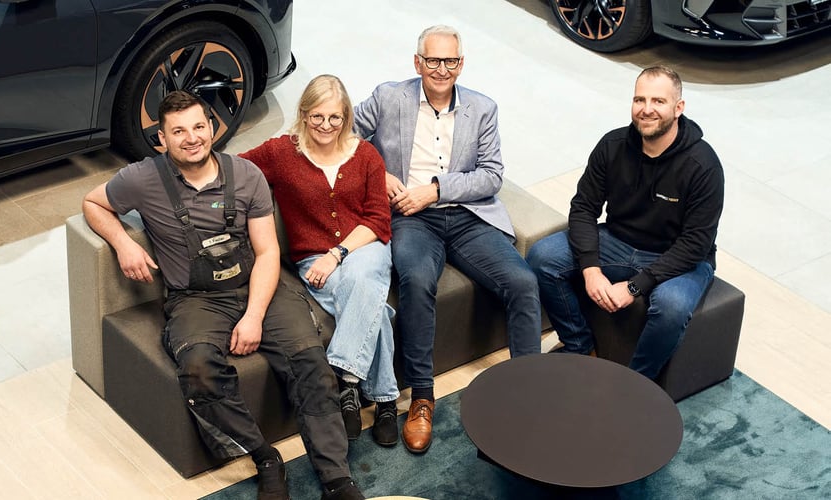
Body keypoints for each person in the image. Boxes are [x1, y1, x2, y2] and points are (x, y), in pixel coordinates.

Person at [82, 90, 365, 500]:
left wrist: (253, 316)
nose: (191, 137)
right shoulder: (142, 178)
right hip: (195, 299)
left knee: (313, 363)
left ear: (212, 129)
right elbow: (93, 203)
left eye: (199, 126)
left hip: (257, 286)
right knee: (197, 368)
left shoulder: (246, 175)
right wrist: (124, 244)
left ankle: (337, 479)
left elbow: (268, 252)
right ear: (162, 138)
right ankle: (265, 457)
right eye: (178, 131)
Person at [354, 25, 542, 454]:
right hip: (410, 218)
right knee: (418, 281)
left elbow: (492, 173)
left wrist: (437, 190)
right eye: (433, 60)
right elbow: (346, 134)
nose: (442, 69)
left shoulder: (483, 108)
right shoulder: (388, 97)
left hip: (467, 215)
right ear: (417, 62)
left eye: (451, 61)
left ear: (462, 63)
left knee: (524, 282)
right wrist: (379, 173)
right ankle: (422, 397)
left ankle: (531, 391)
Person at [526, 66, 724, 379]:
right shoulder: (613, 145)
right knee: (542, 257)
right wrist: (591, 270)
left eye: (658, 101)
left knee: (671, 307)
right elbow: (583, 208)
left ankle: (634, 383)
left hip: (678, 258)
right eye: (639, 99)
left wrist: (634, 287)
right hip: (617, 241)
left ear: (679, 108)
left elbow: (694, 244)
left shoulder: (703, 165)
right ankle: (579, 344)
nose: (647, 109)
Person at [240, 75, 400, 447]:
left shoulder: (366, 156)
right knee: (373, 307)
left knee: (361, 279)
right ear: (303, 114)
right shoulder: (281, 152)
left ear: (346, 117)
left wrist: (337, 253)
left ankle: (345, 381)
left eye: (335, 118)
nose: (326, 126)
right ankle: (387, 399)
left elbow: (378, 220)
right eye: (317, 117)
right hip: (310, 257)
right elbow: (235, 170)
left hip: (365, 247)